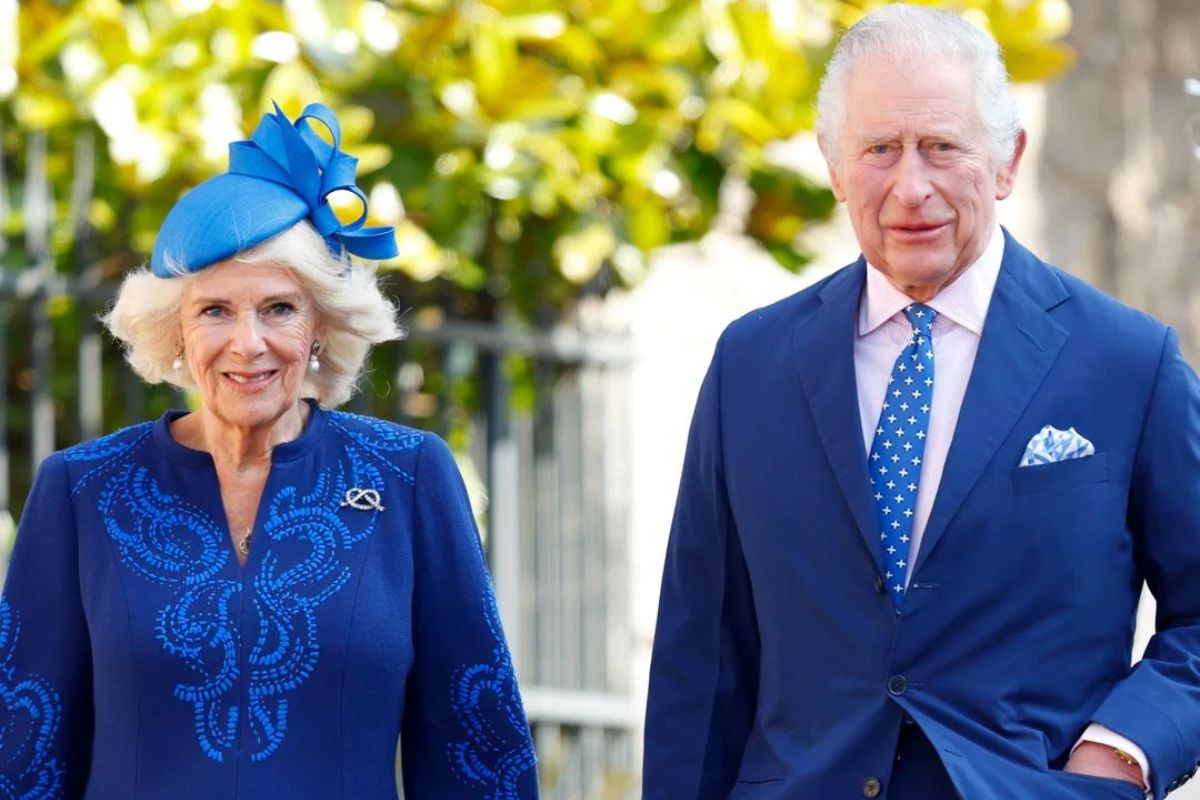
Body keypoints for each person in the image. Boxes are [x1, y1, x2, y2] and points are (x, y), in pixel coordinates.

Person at [643, 5, 1200, 800]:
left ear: (1007, 160)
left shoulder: (1127, 364)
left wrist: (1119, 751)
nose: (911, 187)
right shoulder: (752, 364)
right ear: (835, 167)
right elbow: (703, 658)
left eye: (942, 146)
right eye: (879, 150)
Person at [0, 102, 538, 799]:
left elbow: (478, 745)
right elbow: (25, 752)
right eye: (215, 310)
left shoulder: (407, 475)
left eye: (279, 308)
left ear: (320, 325)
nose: (247, 344)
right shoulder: (82, 488)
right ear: (176, 332)